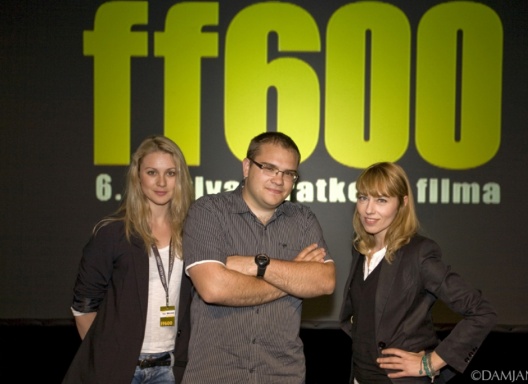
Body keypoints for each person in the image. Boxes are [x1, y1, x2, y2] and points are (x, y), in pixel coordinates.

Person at [181, 131, 336, 383]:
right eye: (269, 168)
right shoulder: (209, 211)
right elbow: (213, 288)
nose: (279, 179)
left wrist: (258, 265)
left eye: (288, 173)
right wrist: (293, 276)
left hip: (282, 374)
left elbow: (325, 281)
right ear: (246, 167)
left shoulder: (303, 220)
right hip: (216, 373)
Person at [339, 162, 497, 384]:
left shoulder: (418, 253)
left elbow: (482, 312)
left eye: (381, 200)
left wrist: (431, 363)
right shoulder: (360, 250)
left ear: (402, 203)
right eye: (363, 197)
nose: (369, 209)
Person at [63, 135, 194, 384]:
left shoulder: (193, 233)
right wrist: (106, 355)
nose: (161, 182)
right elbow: (83, 306)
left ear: (180, 178)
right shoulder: (112, 233)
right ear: (137, 176)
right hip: (119, 370)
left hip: (170, 368)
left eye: (171, 173)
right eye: (152, 172)